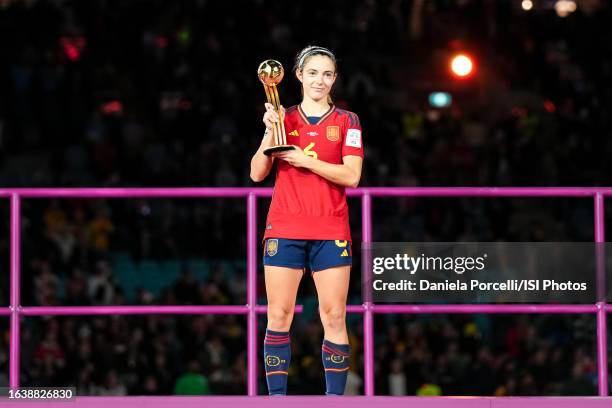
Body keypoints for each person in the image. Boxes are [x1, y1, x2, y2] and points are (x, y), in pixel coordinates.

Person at [250, 45, 364, 396]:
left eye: (327, 74)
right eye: (312, 73)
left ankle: (334, 401)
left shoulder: (348, 121)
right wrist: (271, 132)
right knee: (279, 315)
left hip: (331, 229)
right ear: (297, 75)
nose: (320, 80)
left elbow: (352, 176)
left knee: (333, 316)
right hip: (285, 228)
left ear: (334, 79)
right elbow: (257, 173)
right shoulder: (283, 119)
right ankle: (277, 401)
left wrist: (304, 160)